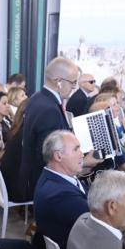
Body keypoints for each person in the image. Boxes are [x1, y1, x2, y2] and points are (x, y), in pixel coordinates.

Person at [20, 57, 78, 198]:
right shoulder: (49, 110)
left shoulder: (37, 97)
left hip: (32, 174)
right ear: (59, 82)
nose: (74, 87)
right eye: (73, 82)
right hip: (45, 183)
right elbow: (49, 158)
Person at [33, 130, 91, 249]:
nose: (82, 154)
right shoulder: (59, 195)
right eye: (76, 149)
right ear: (58, 156)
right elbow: (100, 220)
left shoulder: (55, 176)